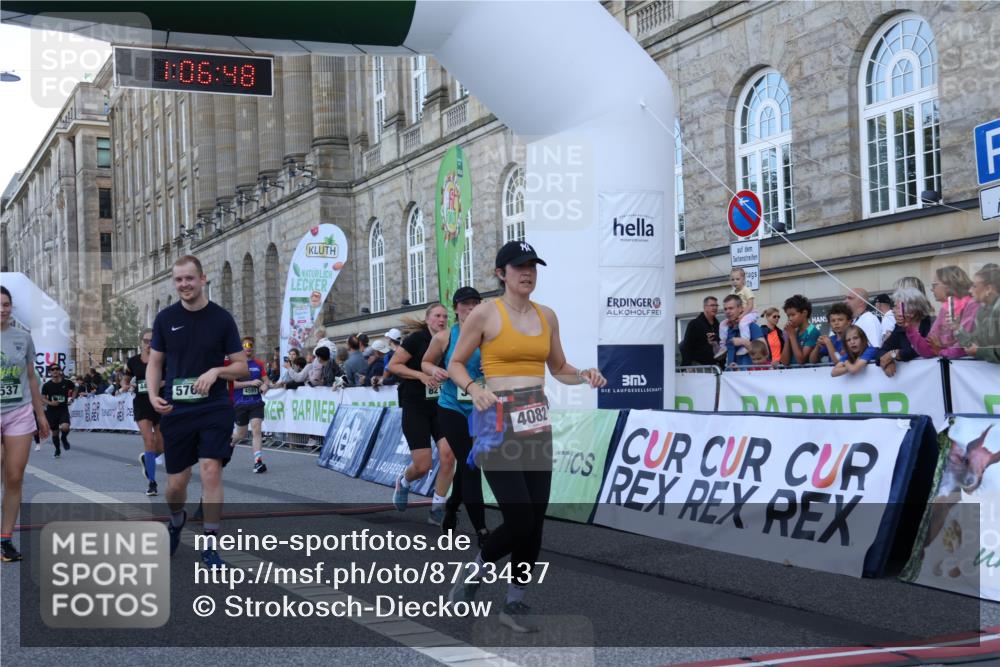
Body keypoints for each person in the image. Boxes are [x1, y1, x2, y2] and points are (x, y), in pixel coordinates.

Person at [446, 241, 607, 633]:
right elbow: (453, 364)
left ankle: (514, 603)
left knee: (534, 521)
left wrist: (583, 373)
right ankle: (477, 569)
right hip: (497, 422)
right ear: (501, 273)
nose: (527, 272)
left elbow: (559, 367)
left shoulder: (546, 315)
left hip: (536, 422)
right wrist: (473, 388)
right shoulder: (485, 313)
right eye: (519, 266)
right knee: (518, 519)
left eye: (532, 266)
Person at [146, 255, 247, 568]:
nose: (184, 285)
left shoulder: (221, 319)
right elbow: (155, 362)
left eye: (189, 278)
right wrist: (152, 395)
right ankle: (176, 518)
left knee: (210, 469)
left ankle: (210, 546)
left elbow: (241, 367)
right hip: (176, 409)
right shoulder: (165, 319)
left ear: (203, 279)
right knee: (176, 484)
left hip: (214, 407)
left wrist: (217, 371)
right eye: (178, 280)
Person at [421, 286, 490, 543]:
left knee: (468, 462)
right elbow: (426, 362)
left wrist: (491, 366)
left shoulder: (489, 335)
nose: (471, 308)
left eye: (475, 303)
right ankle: (481, 529)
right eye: (465, 304)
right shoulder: (445, 337)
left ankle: (451, 508)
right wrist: (434, 372)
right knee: (471, 464)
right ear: (456, 308)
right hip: (451, 407)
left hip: (480, 407)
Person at [388, 303, 456, 525]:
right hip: (415, 405)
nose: (441, 320)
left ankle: (438, 505)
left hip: (442, 405)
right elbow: (394, 366)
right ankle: (405, 481)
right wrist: (420, 375)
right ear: (428, 319)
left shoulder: (451, 339)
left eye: (445, 316)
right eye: (437, 316)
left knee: (448, 454)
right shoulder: (416, 339)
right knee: (423, 465)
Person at [0, 285, 51, 562]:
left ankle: (5, 540)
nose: (2, 309)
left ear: (11, 307)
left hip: (18, 412)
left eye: (6, 304)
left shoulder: (23, 337)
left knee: (14, 476)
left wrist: (40, 414)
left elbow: (31, 377)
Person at [907, 266, 980, 359]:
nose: (931, 289)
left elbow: (962, 347)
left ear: (948, 285)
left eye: (934, 285)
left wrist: (941, 351)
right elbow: (928, 350)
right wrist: (909, 328)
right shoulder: (945, 309)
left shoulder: (972, 305)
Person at [128, 329, 165, 496]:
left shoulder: (163, 358)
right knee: (149, 440)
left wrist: (162, 382)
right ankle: (152, 482)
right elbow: (126, 377)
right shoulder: (133, 361)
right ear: (141, 342)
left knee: (162, 445)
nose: (149, 344)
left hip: (160, 401)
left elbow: (172, 376)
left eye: (152, 340)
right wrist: (127, 384)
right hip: (142, 404)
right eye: (146, 340)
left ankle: (147, 458)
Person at [231, 336, 270, 474]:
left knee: (256, 430)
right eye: (245, 345)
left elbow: (267, 381)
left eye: (250, 345)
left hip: (256, 403)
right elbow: (232, 384)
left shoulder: (259, 364)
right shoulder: (236, 364)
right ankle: (231, 443)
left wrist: (265, 386)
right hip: (240, 403)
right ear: (241, 348)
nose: (248, 347)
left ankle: (258, 462)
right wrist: (250, 383)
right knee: (240, 434)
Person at [878, 287, 934, 377]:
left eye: (896, 307)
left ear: (911, 310)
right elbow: (881, 351)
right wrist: (889, 363)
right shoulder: (899, 327)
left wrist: (894, 354)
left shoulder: (931, 324)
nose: (892, 310)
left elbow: (921, 350)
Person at [954, 264, 1000, 363]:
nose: (970, 290)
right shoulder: (982, 311)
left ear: (988, 289)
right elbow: (973, 344)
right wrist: (957, 329)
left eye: (974, 286)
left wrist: (980, 351)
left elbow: (978, 349)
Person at [715, 295, 764, 367]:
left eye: (731, 308)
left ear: (740, 309)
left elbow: (765, 353)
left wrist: (743, 342)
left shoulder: (752, 326)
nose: (727, 311)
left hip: (747, 375)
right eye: (725, 309)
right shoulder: (726, 330)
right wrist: (714, 344)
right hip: (730, 375)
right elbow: (721, 357)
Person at [40, 364, 75, 459]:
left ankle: (63, 438)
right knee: (55, 433)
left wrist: (72, 399)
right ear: (50, 372)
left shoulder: (66, 382)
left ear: (59, 370)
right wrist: (50, 403)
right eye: (52, 369)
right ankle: (57, 450)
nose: (55, 371)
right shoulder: (47, 385)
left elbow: (75, 388)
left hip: (63, 409)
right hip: (51, 412)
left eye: (56, 369)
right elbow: (42, 398)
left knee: (65, 427)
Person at [780, 294, 820, 366]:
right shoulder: (794, 331)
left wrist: (792, 335)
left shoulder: (812, 331)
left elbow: (801, 360)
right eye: (788, 316)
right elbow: (784, 362)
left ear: (804, 313)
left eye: (793, 315)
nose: (790, 319)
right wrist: (788, 338)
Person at [679, 296, 719, 366]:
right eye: (712, 305)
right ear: (705, 307)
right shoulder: (694, 324)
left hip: (715, 366)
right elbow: (686, 346)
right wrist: (688, 365)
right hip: (698, 367)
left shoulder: (718, 325)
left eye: (716, 305)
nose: (715, 308)